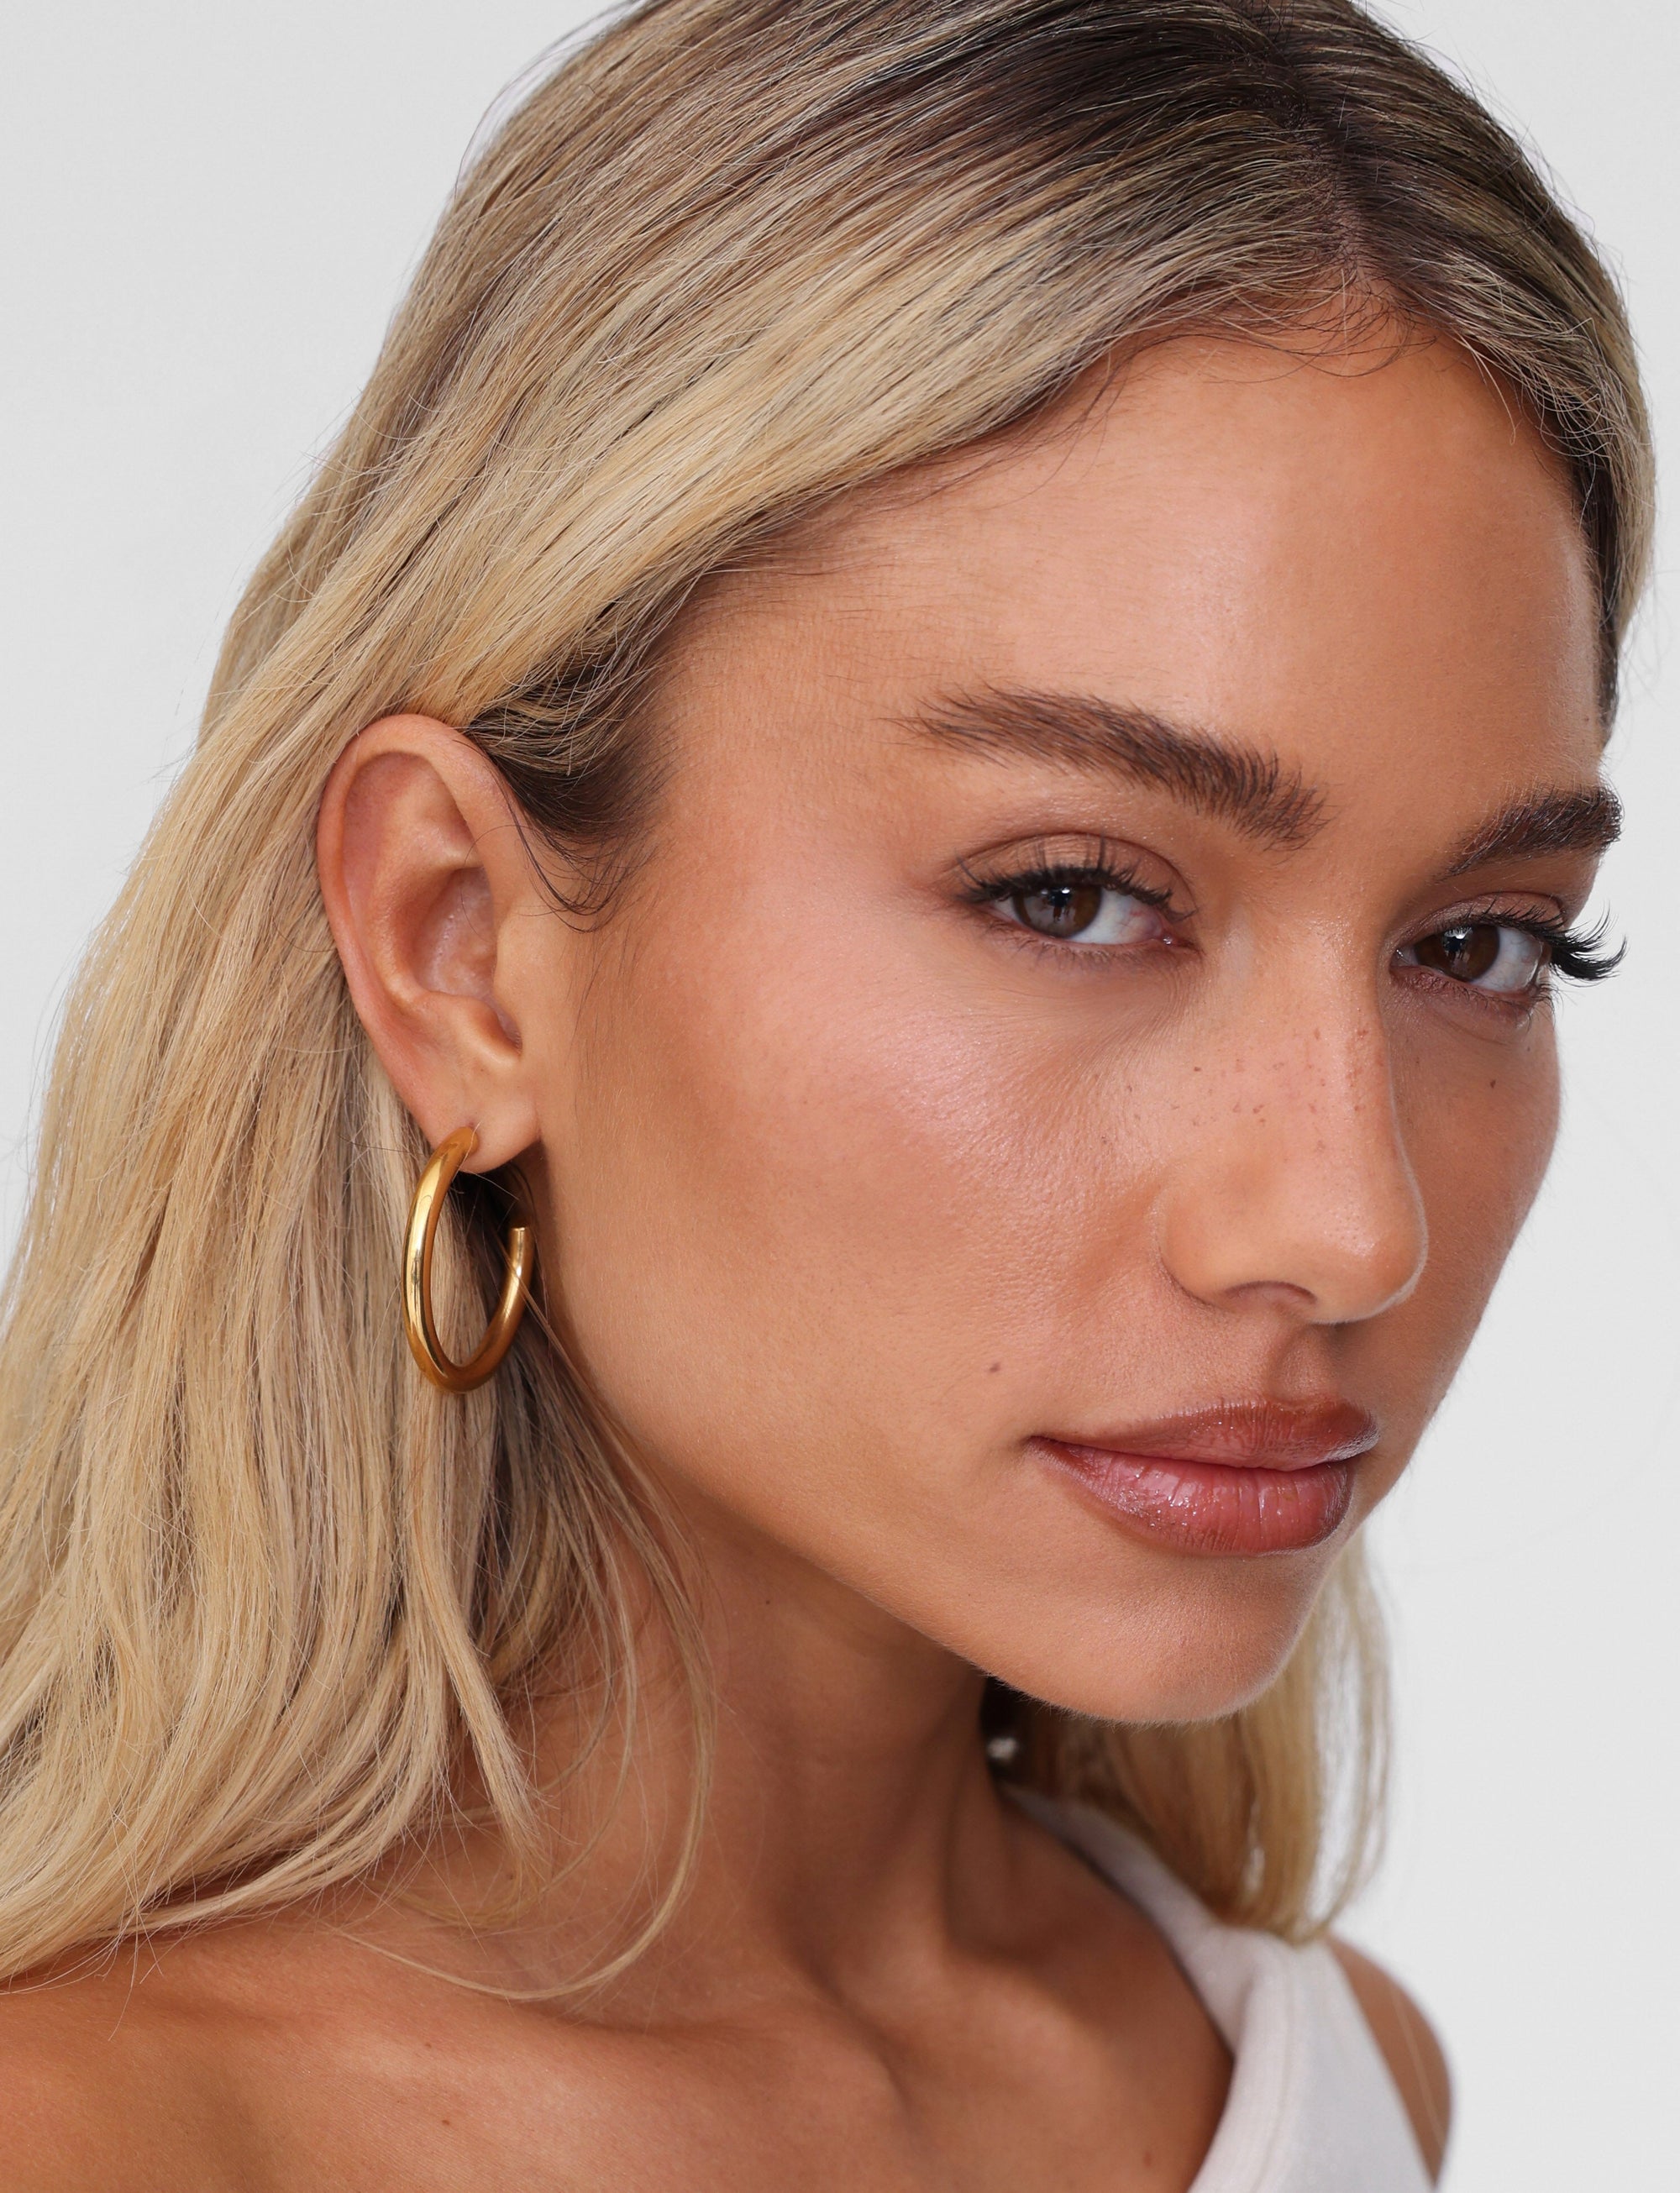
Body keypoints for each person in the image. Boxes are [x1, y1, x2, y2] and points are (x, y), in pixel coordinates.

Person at [0, 2, 1650, 2185]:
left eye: (1481, 942)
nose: (1351, 1222)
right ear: (460, 947)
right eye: (1072, 894)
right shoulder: (108, 2134)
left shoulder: (1326, 2080)